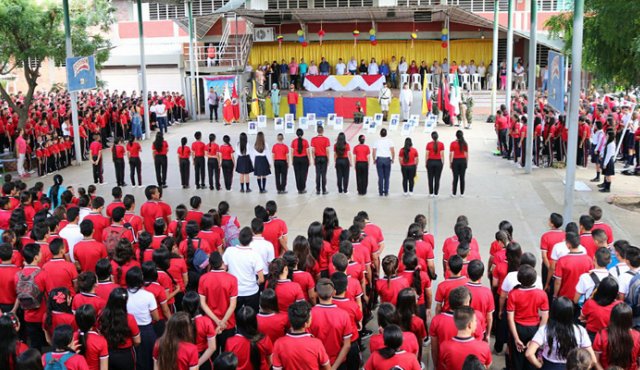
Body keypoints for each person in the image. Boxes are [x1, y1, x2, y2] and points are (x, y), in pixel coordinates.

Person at [525, 297, 597, 369]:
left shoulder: (545, 330)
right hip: (572, 366)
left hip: (549, 365)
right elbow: (593, 360)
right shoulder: (580, 331)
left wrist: (540, 366)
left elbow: (529, 354)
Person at [506, 265, 549, 370]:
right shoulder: (542, 294)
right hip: (534, 329)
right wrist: (538, 336)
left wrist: (516, 338)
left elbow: (510, 318)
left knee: (517, 358)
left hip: (518, 328)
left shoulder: (513, 294)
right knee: (532, 356)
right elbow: (545, 317)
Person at [271, 301, 330, 370]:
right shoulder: (316, 344)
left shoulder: (279, 344)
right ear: (306, 324)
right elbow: (327, 367)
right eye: (310, 317)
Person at [593, 303, 640, 370]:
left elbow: (596, 361)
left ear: (612, 317)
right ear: (630, 319)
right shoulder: (637, 336)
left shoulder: (601, 335)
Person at [224, 306, 273, 370]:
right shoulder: (264, 339)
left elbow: (228, 363)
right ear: (255, 322)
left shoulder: (230, 342)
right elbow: (269, 360)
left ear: (237, 323)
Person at [372, 129, 395, 196]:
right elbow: (392, 151)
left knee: (380, 177)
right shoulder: (390, 141)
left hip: (379, 159)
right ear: (386, 134)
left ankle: (381, 191)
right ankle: (386, 191)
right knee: (387, 177)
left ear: (380, 134)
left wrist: (374, 159)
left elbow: (374, 151)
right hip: (387, 159)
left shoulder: (376, 141)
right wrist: (393, 159)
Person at [310, 126, 331, 195]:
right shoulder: (326, 139)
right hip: (324, 157)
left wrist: (313, 158)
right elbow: (327, 150)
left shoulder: (313, 139)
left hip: (317, 158)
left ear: (317, 131)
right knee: (324, 174)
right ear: (323, 131)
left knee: (318, 174)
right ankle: (324, 190)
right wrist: (328, 159)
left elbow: (313, 150)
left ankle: (318, 190)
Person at [450, 130, 469, 197]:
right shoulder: (465, 143)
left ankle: (454, 193)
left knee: (455, 178)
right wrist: (466, 162)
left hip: (455, 161)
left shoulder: (453, 143)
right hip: (463, 161)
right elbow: (466, 154)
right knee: (462, 177)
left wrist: (450, 162)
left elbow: (451, 154)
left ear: (456, 136)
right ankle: (462, 193)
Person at [426, 131, 445, 197]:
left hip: (430, 162)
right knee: (437, 178)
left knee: (430, 178)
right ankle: (436, 193)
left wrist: (426, 163)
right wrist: (442, 163)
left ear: (432, 137)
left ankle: (431, 193)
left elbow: (427, 155)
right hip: (438, 162)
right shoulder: (441, 144)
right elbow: (442, 155)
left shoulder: (428, 144)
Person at [291, 129, 310, 194]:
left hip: (296, 159)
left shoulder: (293, 141)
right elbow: (307, 151)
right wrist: (309, 160)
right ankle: (303, 187)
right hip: (304, 159)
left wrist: (292, 160)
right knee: (303, 174)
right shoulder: (305, 141)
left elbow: (292, 152)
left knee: (297, 174)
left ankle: (299, 188)